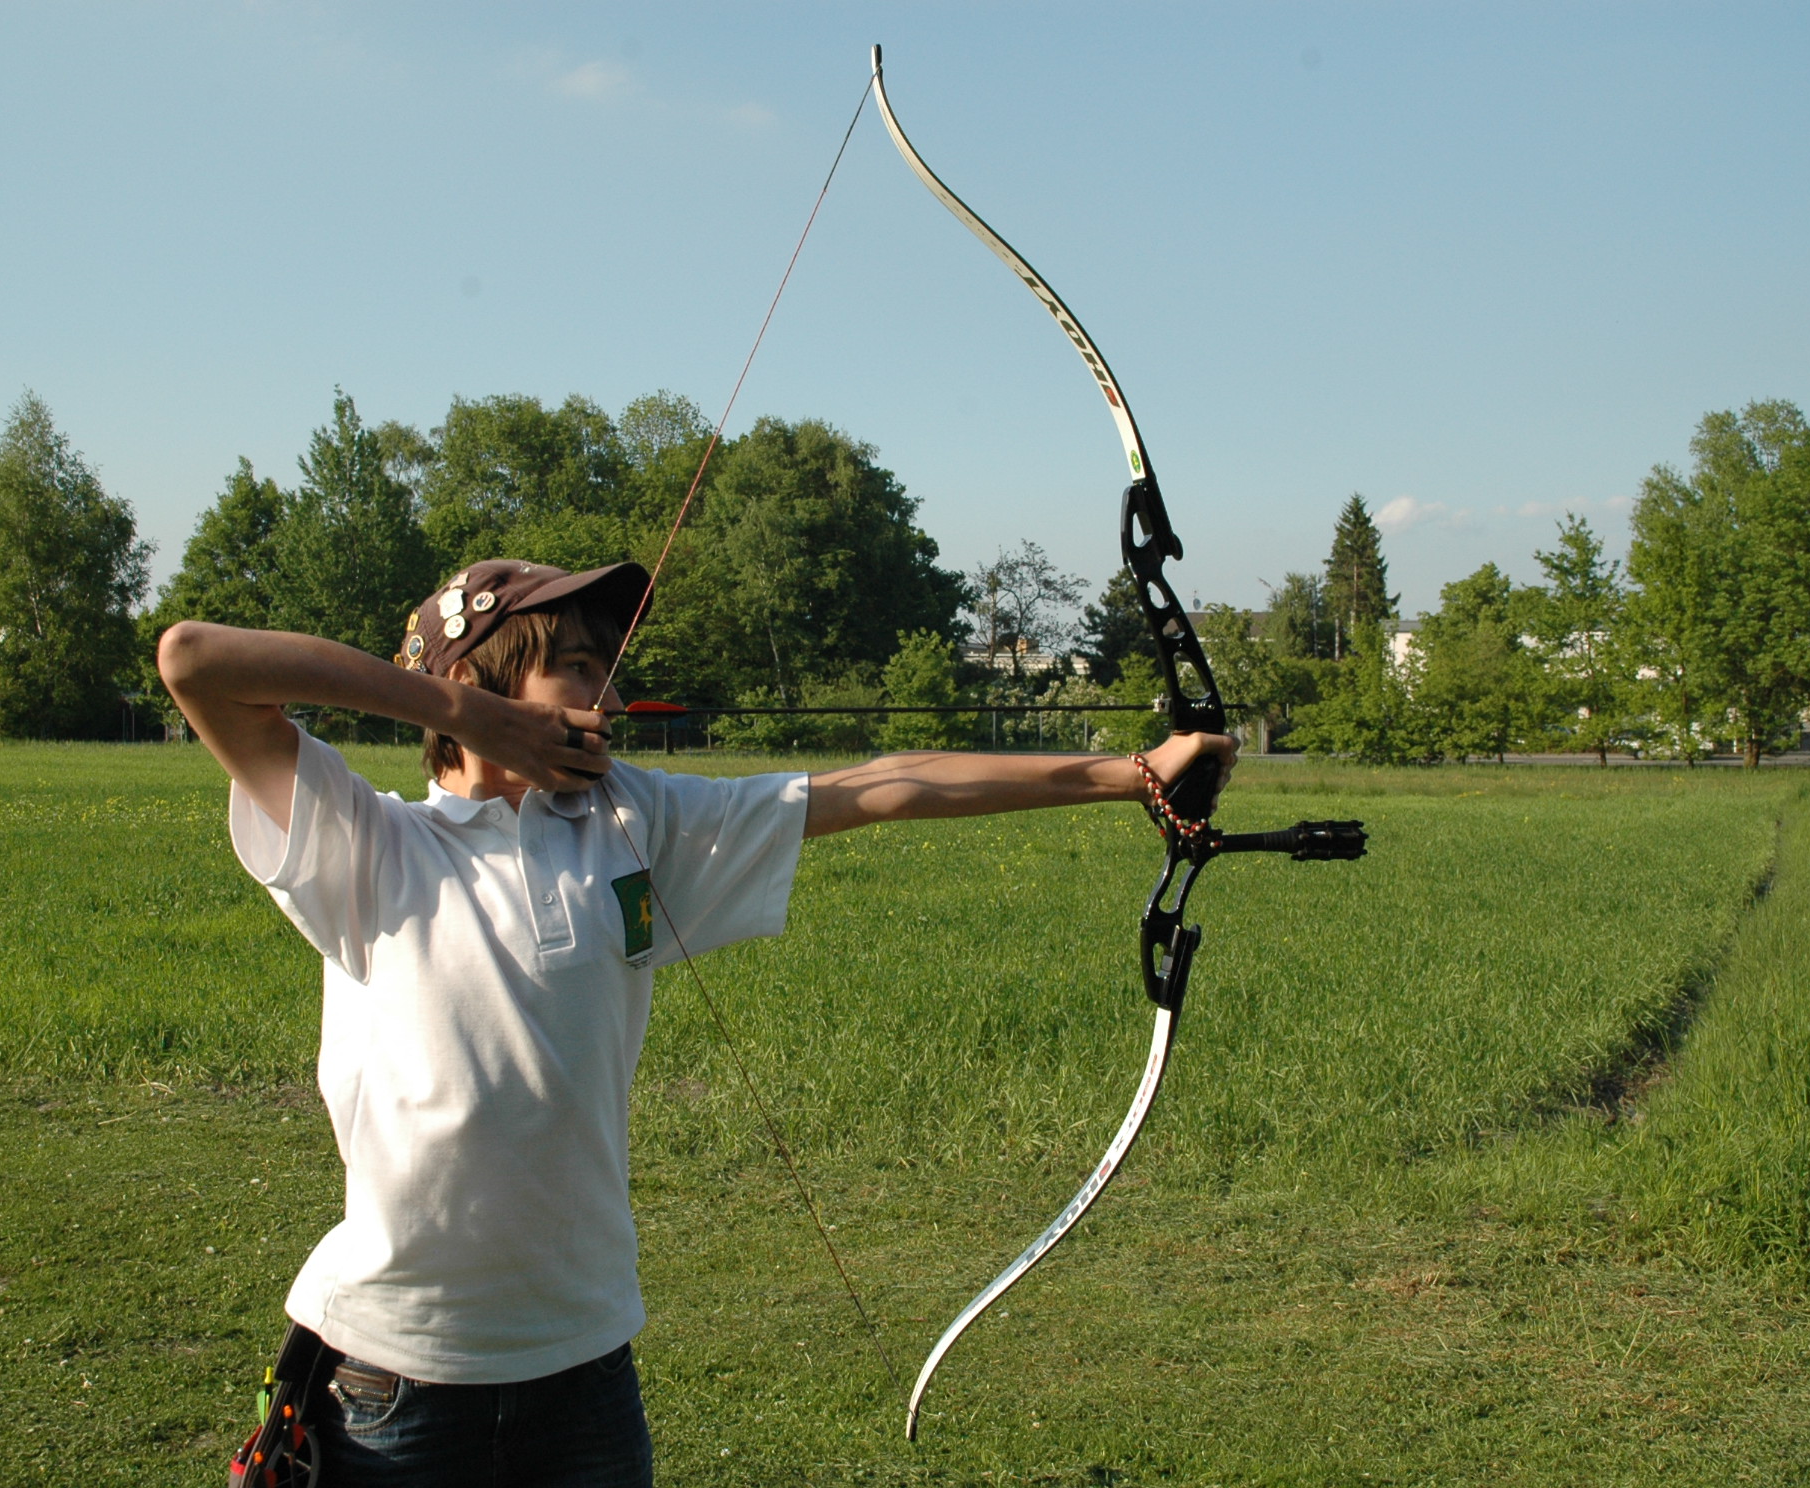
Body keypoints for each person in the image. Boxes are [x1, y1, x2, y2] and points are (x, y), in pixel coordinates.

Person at [158, 558, 1233, 1487]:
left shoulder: (633, 822)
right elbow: (193, 658)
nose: (611, 698)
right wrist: (465, 716)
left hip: (583, 1371)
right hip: (392, 1382)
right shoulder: (367, 843)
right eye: (580, 666)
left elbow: (883, 786)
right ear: (478, 679)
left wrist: (1132, 774)